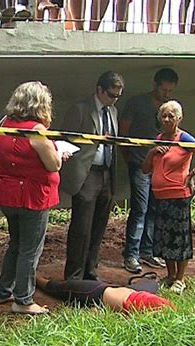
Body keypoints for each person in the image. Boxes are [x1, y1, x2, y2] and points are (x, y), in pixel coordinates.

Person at [0, 81, 70, 315]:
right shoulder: (37, 130)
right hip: (33, 197)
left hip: (7, 195)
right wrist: (60, 153)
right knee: (30, 249)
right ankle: (23, 300)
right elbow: (52, 164)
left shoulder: (5, 125)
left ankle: (2, 291)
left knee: (15, 244)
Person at [142, 100, 195, 295]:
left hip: (178, 195)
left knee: (180, 238)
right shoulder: (159, 139)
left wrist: (192, 173)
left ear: (179, 118)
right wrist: (152, 152)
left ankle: (180, 279)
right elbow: (145, 169)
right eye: (163, 116)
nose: (166, 119)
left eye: (170, 116)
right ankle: (170, 275)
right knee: (165, 237)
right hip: (160, 196)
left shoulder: (184, 138)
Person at [60, 71, 124, 281]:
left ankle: (91, 271)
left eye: (117, 96)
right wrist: (96, 140)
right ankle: (74, 275)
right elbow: (66, 142)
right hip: (86, 173)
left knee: (99, 226)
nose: (114, 100)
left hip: (106, 172)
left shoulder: (112, 111)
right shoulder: (80, 109)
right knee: (81, 227)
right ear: (99, 90)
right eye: (111, 95)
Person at [119, 68, 178, 274]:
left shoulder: (168, 109)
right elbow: (123, 132)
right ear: (155, 84)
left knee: (154, 209)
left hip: (160, 167)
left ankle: (147, 250)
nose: (166, 95)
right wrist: (128, 157)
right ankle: (131, 254)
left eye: (170, 91)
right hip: (140, 163)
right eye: (164, 90)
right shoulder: (137, 103)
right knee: (140, 209)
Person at [36, 276, 175, 312]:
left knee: (56, 288)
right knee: (152, 284)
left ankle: (32, 277)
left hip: (98, 293)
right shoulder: (167, 309)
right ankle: (33, 276)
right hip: (127, 290)